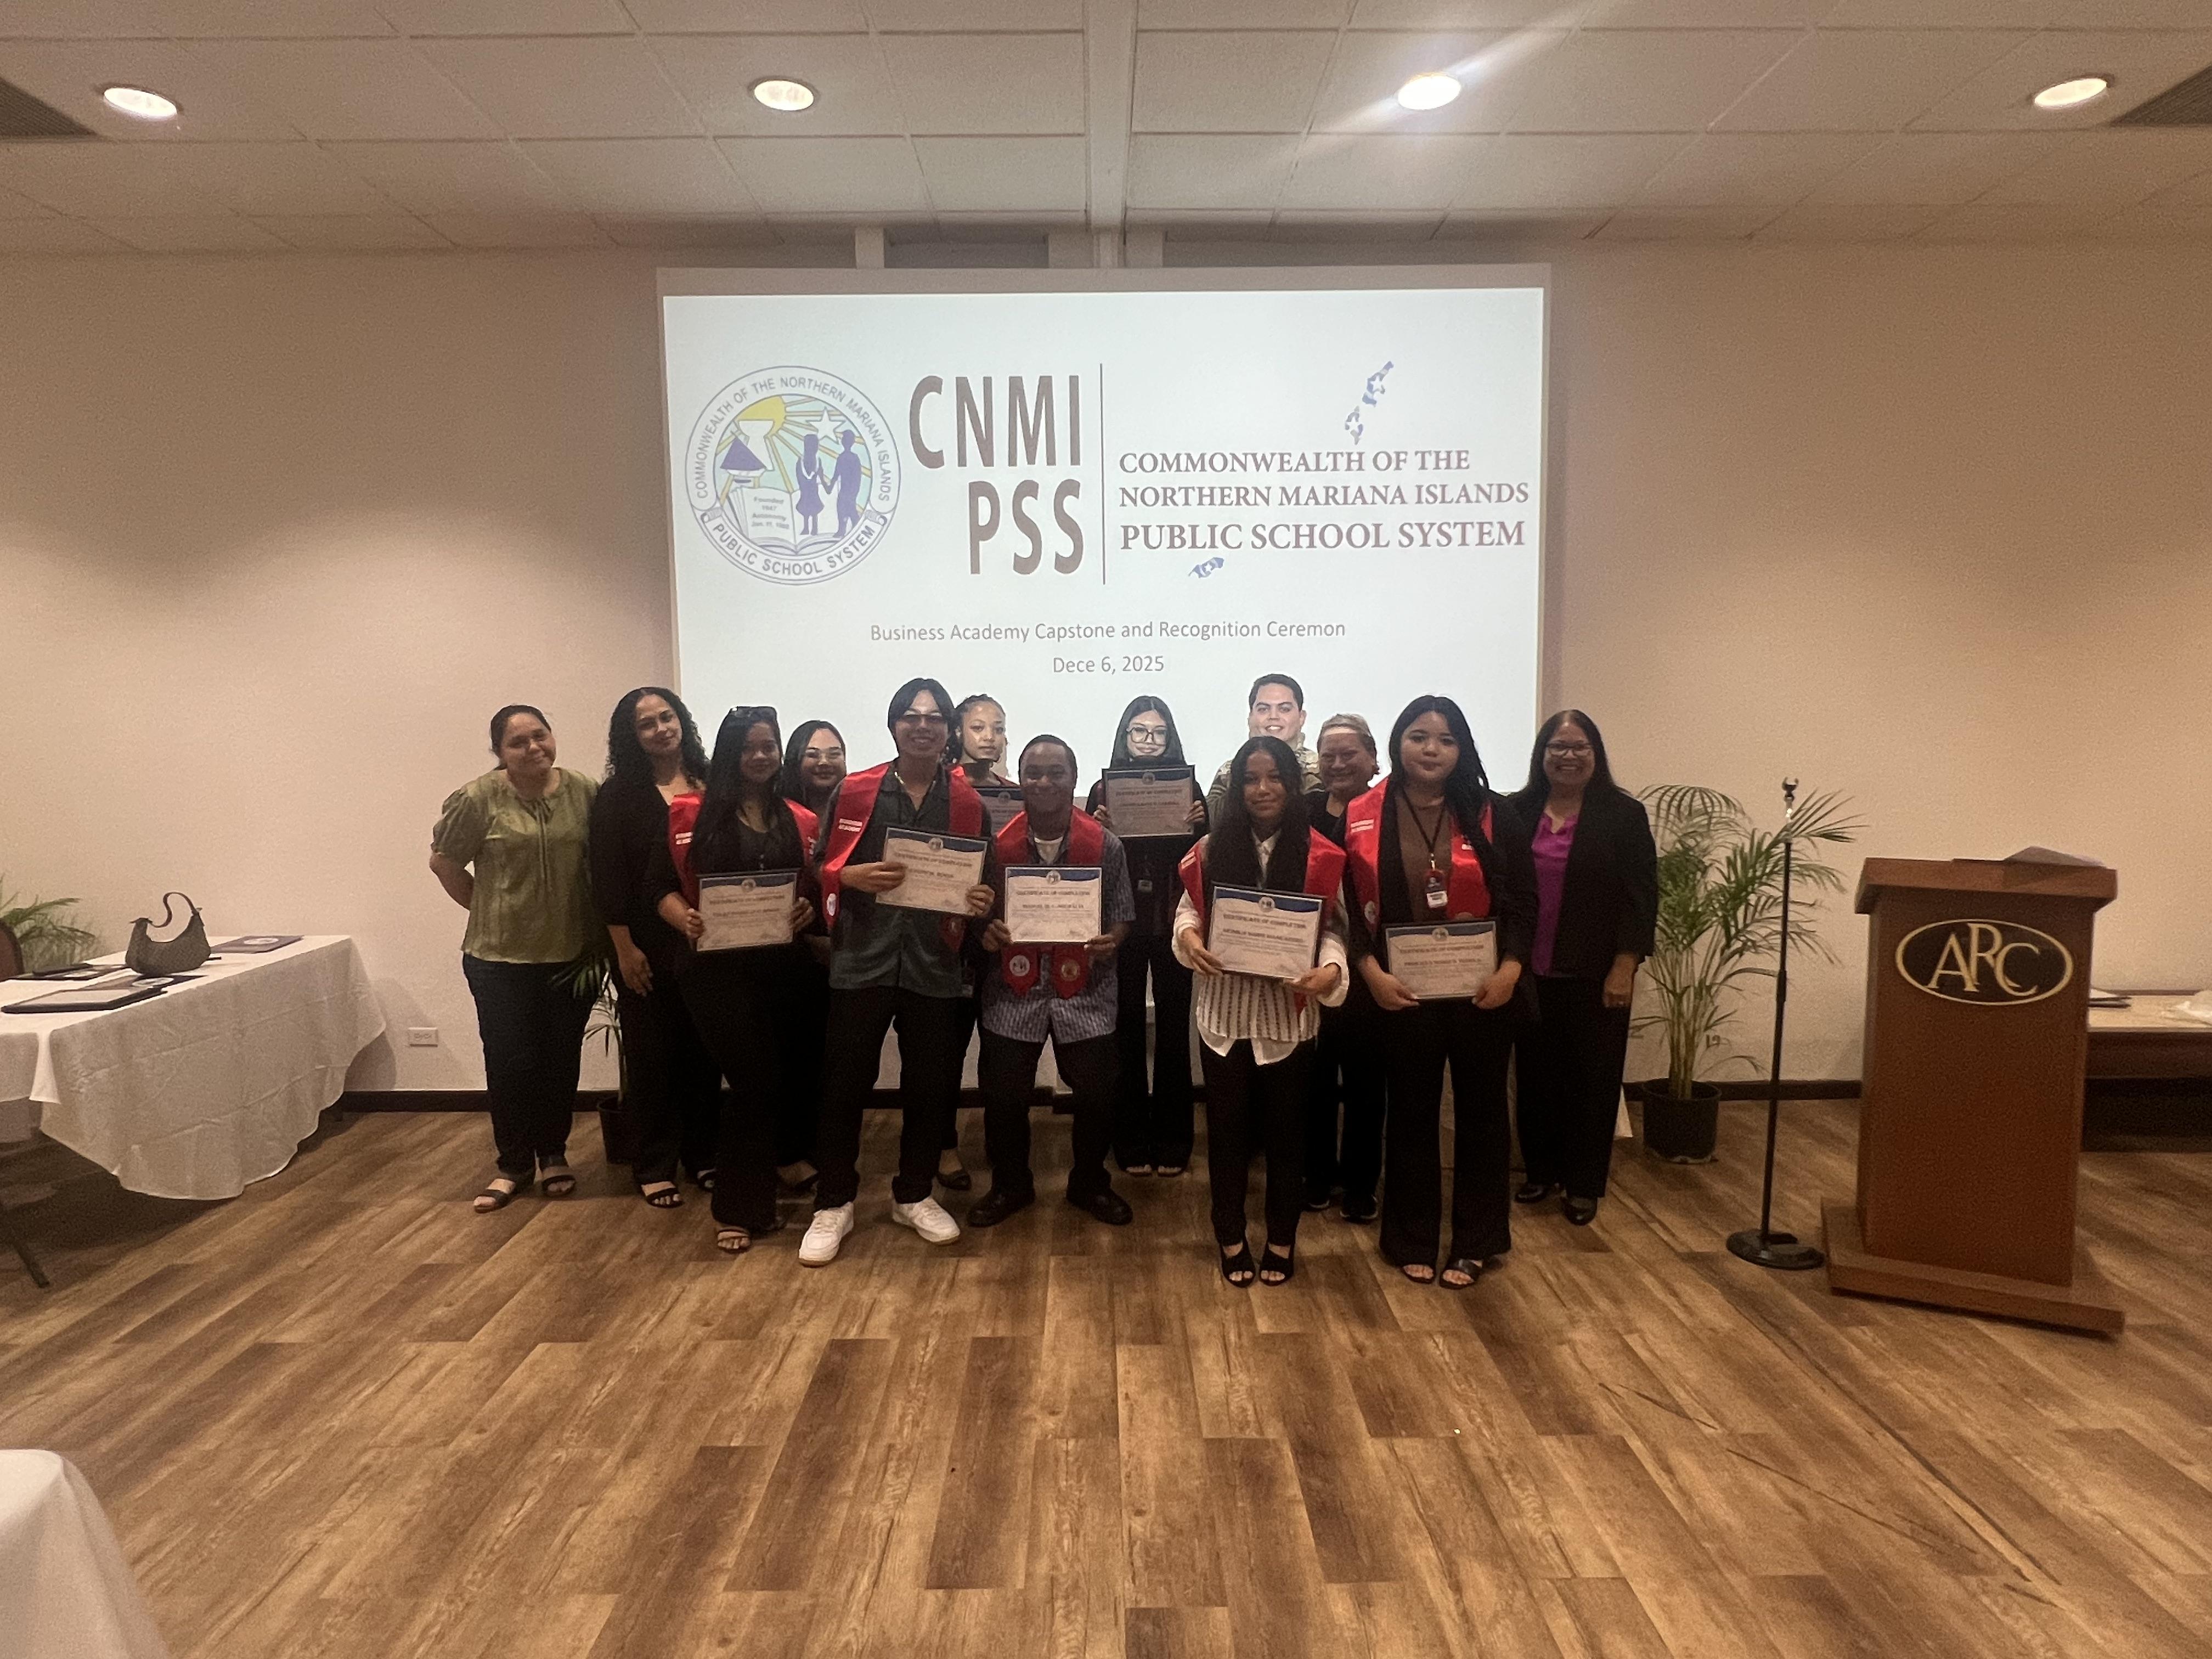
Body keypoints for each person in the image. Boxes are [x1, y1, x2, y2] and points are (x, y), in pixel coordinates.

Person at [799, 678, 996, 1266]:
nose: (923, 726)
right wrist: (847, 877)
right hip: (862, 957)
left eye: (934, 718)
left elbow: (980, 879)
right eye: (912, 716)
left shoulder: (968, 803)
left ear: (949, 730)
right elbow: (817, 865)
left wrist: (980, 900)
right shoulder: (857, 790)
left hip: (934, 962)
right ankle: (834, 1202)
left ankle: (913, 1194)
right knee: (844, 1085)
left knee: (930, 1085)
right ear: (893, 725)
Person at [1346, 696, 1535, 1289]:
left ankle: (1478, 1241)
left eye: (1446, 740)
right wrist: (1370, 973)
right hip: (1402, 990)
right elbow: (1344, 907)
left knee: (1483, 1114)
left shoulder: (1494, 813)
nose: (1431, 749)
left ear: (1462, 750)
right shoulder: (1361, 813)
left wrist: (1511, 969)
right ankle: (1411, 1237)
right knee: (1410, 1112)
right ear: (1398, 742)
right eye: (1419, 737)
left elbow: (1524, 901)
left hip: (1483, 990)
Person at [1173, 737, 1349, 1287]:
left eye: (1275, 778)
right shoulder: (1209, 849)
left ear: (1294, 786)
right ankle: (1229, 1234)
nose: (1263, 789)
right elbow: (1187, 913)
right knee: (1226, 1135)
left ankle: (1281, 1238)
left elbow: (1335, 928)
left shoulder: (1322, 855)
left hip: (1287, 1020)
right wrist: (1189, 939)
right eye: (1251, 779)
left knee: (1287, 1137)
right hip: (1223, 1018)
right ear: (1238, 788)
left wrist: (1331, 970)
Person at [652, 707, 822, 1254]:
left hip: (784, 969)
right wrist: (684, 918)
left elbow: (810, 891)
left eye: (769, 746)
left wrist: (806, 910)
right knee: (753, 1082)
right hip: (714, 971)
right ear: (730, 752)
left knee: (781, 1078)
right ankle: (737, 1209)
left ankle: (776, 1169)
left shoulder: (799, 818)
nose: (760, 756)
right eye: (748, 747)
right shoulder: (689, 813)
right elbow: (657, 887)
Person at [430, 705, 600, 1213]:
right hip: (498, 960)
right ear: (500, 752)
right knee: (510, 1062)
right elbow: (444, 863)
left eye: (540, 736)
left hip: (570, 955)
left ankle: (554, 1154)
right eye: (518, 742)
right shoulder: (477, 798)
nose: (533, 748)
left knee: (560, 1059)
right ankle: (513, 1165)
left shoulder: (584, 791)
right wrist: (489, 909)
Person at [970, 735, 1136, 1228]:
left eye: (1056, 773)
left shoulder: (1105, 845)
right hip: (1012, 992)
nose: (1044, 782)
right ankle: (1011, 1185)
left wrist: (1112, 939)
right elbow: (978, 913)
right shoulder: (994, 848)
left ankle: (1089, 1183)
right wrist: (986, 931)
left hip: (1086, 991)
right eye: (1034, 773)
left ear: (1075, 779)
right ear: (1019, 781)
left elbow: (1122, 913)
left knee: (1098, 1095)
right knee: (1004, 1096)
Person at [1505, 710, 1657, 1226]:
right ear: (1541, 754)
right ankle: (1540, 1172)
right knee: (1535, 1077)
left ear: (1596, 754)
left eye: (1579, 747)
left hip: (1597, 974)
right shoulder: (1517, 810)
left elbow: (1641, 898)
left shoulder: (1623, 815)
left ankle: (1583, 1183)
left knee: (1592, 1080)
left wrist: (1625, 965)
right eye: (1558, 747)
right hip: (1527, 971)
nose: (1568, 756)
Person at [589, 687, 720, 1209]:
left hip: (709, 942)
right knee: (651, 1056)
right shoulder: (618, 795)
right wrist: (624, 949)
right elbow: (608, 876)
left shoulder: (711, 782)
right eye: (647, 724)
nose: (661, 729)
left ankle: (704, 1154)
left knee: (705, 1052)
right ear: (632, 736)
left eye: (668, 717)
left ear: (682, 721)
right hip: (644, 946)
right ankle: (655, 1164)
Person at [1086, 696, 1207, 1177]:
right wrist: (1097, 831)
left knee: (1175, 1031)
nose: (1149, 741)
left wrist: (1199, 826)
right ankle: (1130, 1138)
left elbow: (1202, 858)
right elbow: (1091, 860)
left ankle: (1174, 1139)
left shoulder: (1189, 788)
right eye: (1140, 731)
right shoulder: (1103, 789)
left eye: (1159, 732)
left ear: (1170, 737)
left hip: (1174, 923)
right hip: (1123, 925)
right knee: (1125, 1031)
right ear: (1125, 737)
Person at [1301, 713, 1386, 1222]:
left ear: (1373, 758)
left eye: (1348, 754)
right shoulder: (1304, 810)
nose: (1336, 764)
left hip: (1371, 967)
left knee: (1365, 1084)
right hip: (1310, 963)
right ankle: (1315, 1175)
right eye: (1327, 755)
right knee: (1312, 1079)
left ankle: (1360, 1185)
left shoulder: (1389, 811)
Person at [1205, 674, 1322, 818]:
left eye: (1284, 709)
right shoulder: (1229, 771)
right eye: (1263, 709)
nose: (1274, 716)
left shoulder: (1321, 768)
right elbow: (1211, 820)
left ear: (1301, 717)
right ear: (1250, 717)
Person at [780, 720, 847, 818]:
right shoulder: (775, 814)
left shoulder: (862, 811)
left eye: (834, 754)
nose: (824, 762)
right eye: (813, 755)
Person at [951, 693, 1013, 786]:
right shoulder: (941, 785)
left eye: (998, 729)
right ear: (959, 732)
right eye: (978, 728)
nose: (990, 737)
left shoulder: (1013, 791)